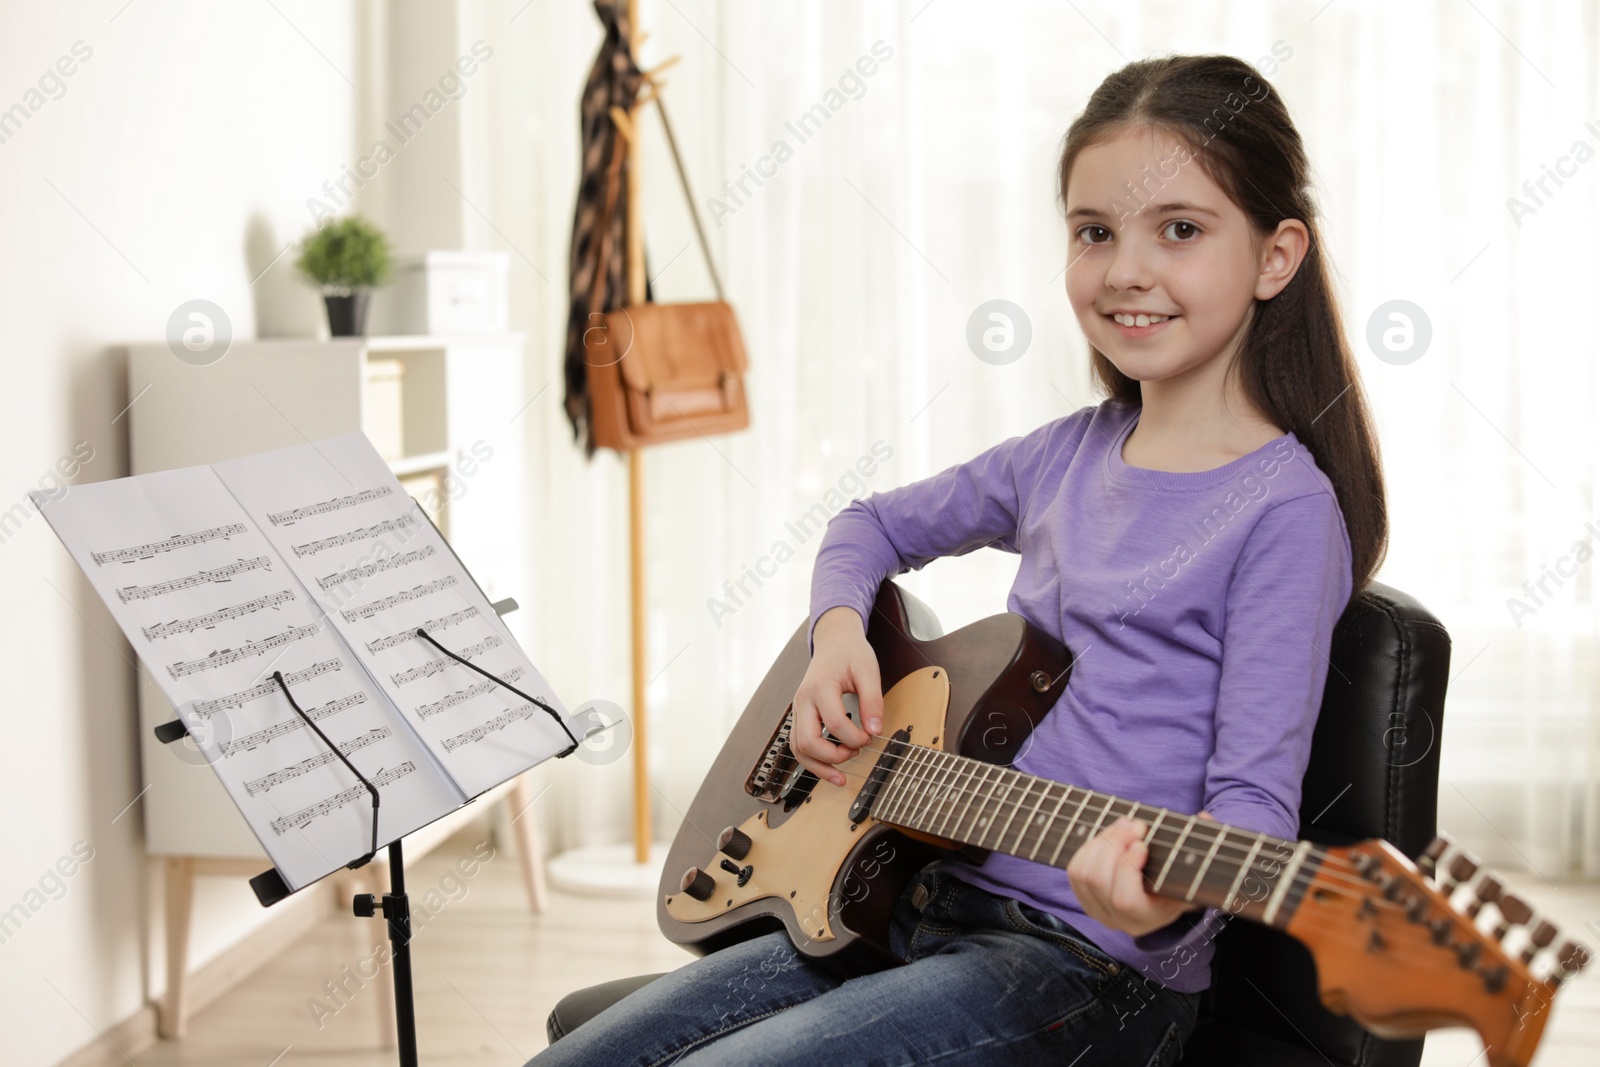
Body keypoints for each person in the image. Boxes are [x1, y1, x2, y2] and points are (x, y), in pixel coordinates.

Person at [527, 52, 1386, 1067]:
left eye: (1181, 230)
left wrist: (1156, 897)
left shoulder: (1283, 511)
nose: (1124, 270)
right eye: (1093, 231)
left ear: (1275, 256)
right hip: (908, 897)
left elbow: (1250, 812)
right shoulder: (1063, 453)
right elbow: (865, 527)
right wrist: (836, 635)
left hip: (1086, 970)